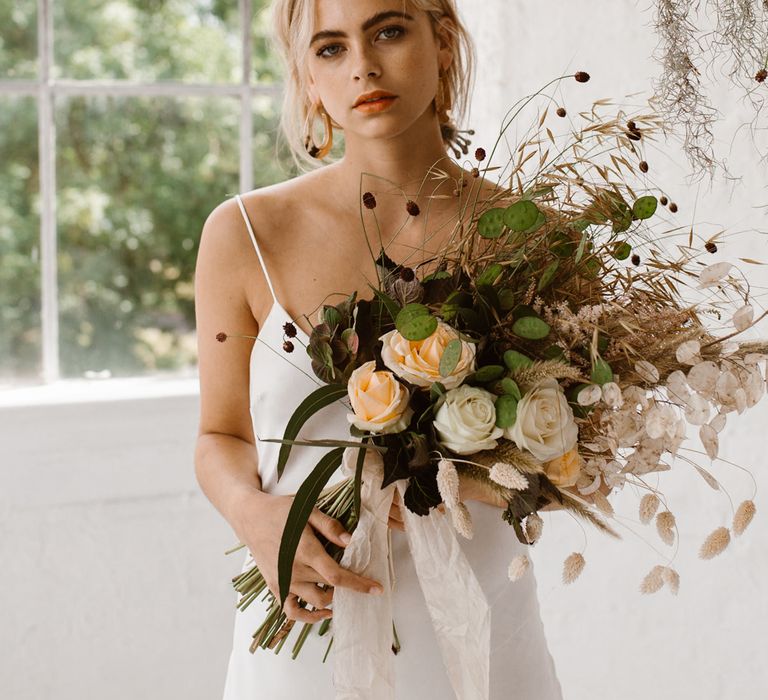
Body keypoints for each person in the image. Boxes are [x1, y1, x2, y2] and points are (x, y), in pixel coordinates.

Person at [194, 0, 565, 697]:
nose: (362, 64)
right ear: (307, 78)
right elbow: (219, 434)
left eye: (388, 31)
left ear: (444, 41)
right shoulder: (245, 232)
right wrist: (258, 517)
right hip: (308, 627)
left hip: (481, 626)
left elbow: (574, 456)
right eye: (329, 49)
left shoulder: (533, 238)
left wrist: (474, 474)